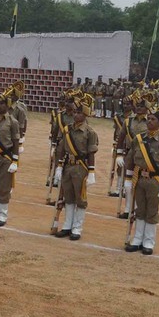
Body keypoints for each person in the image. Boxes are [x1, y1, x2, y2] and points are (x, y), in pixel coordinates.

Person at [124, 103, 159, 255]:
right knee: (140, 209)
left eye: (153, 119)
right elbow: (131, 158)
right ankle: (137, 239)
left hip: (155, 180)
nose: (149, 121)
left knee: (151, 211)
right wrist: (128, 177)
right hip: (139, 178)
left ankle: (149, 241)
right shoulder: (138, 139)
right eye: (148, 118)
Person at [54, 95, 99, 240]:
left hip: (81, 167)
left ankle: (77, 227)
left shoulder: (90, 132)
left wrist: (91, 171)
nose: (75, 115)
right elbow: (61, 149)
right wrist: (59, 166)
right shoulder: (67, 130)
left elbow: (91, 153)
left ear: (85, 115)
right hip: (68, 166)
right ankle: (67, 225)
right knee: (68, 197)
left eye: (79, 112)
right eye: (75, 112)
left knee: (80, 198)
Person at [0, 88, 21, 226]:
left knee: (4, 187)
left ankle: (2, 214)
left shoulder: (12, 122)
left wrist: (15, 160)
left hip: (6, 158)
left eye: (2, 103)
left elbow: (16, 141)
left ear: (7, 105)